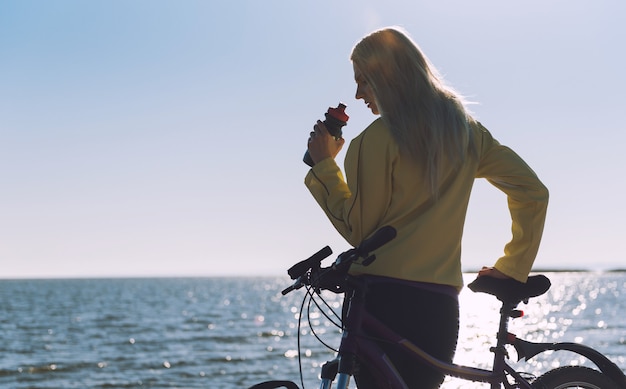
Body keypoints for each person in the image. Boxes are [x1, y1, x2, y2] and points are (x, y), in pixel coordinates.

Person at [304, 26, 549, 388]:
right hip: (439, 307)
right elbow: (533, 192)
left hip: (382, 300)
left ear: (386, 76)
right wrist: (512, 266)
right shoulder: (466, 132)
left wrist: (325, 165)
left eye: (363, 81)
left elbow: (360, 229)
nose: (357, 95)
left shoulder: (374, 140)